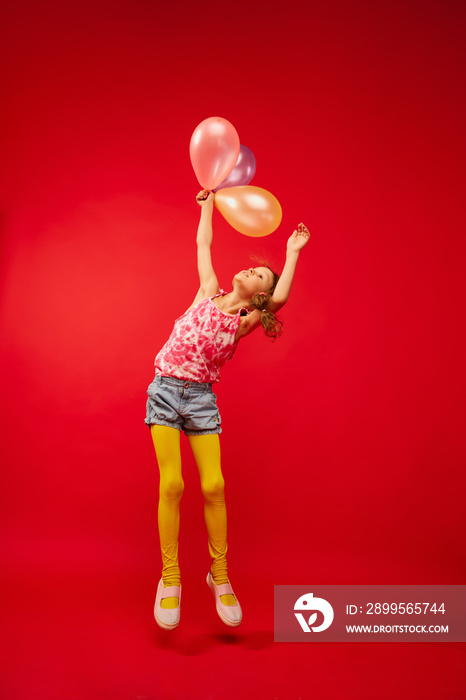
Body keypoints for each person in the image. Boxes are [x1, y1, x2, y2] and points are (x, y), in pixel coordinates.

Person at [145, 189, 310, 630]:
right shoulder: (205, 293)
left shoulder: (246, 322)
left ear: (259, 296)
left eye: (258, 273)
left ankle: (218, 574)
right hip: (164, 391)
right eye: (253, 267)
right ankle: (170, 577)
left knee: (214, 484)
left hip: (200, 399)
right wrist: (204, 209)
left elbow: (280, 301)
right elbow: (204, 245)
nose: (250, 269)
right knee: (173, 485)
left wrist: (291, 254)